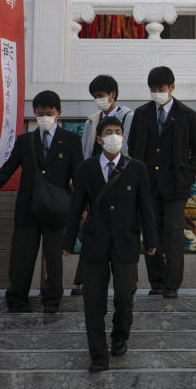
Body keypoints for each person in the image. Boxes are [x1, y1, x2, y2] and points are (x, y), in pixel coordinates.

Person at [0, 90, 83, 314]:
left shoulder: (71, 141)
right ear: (34, 113)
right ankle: (17, 300)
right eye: (40, 114)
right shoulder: (25, 141)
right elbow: (7, 170)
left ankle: (52, 301)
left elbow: (78, 177)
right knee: (22, 259)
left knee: (54, 259)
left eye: (49, 113)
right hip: (27, 210)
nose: (44, 118)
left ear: (58, 113)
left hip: (56, 209)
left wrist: (82, 207)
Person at [63, 116, 158, 373]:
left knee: (125, 297)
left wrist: (151, 240)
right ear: (100, 138)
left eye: (118, 131)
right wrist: (68, 242)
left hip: (126, 243)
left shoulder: (136, 168)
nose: (114, 135)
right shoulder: (85, 169)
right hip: (95, 243)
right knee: (93, 303)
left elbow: (146, 207)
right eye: (109, 131)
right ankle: (98, 356)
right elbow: (75, 209)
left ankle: (120, 337)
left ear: (123, 137)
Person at [127, 66, 196, 299]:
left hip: (176, 186)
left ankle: (172, 284)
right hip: (148, 184)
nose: (157, 93)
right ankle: (157, 281)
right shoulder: (141, 114)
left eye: (161, 89)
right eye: (153, 89)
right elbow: (132, 145)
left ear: (172, 87)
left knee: (172, 234)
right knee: (151, 232)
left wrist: (188, 175)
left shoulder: (187, 115)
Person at [73, 74, 134, 295]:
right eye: (95, 97)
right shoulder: (93, 120)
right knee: (92, 231)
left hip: (119, 179)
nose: (99, 100)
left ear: (112, 94)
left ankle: (127, 283)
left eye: (101, 95)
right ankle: (82, 281)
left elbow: (129, 149)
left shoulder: (128, 116)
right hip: (97, 179)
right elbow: (86, 150)